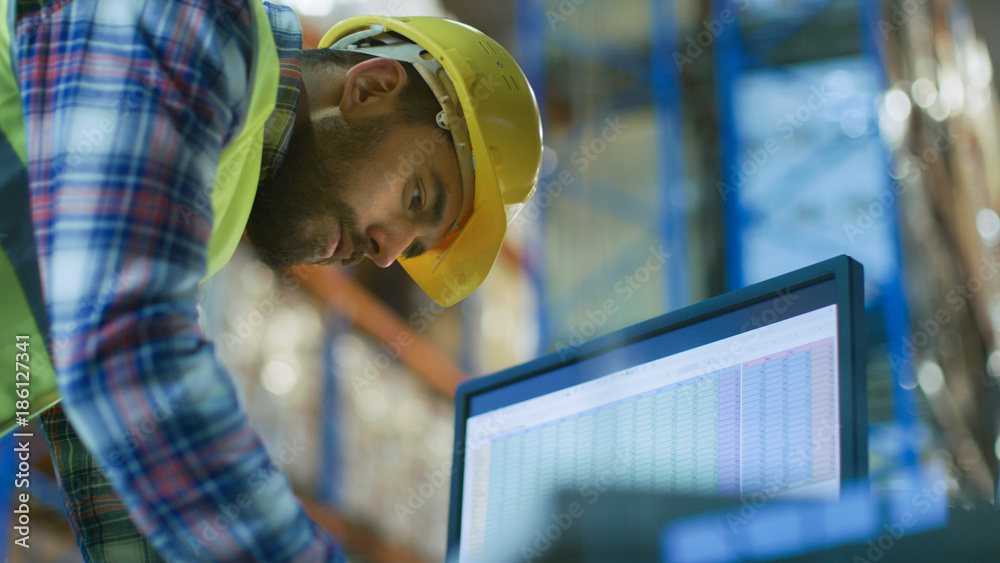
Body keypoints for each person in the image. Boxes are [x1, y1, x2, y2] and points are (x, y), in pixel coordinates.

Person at [0, 0, 542, 560]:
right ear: (372, 87)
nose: (387, 254)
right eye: (417, 197)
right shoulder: (194, 24)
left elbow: (113, 460)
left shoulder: (205, 202)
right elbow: (130, 352)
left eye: (413, 247)